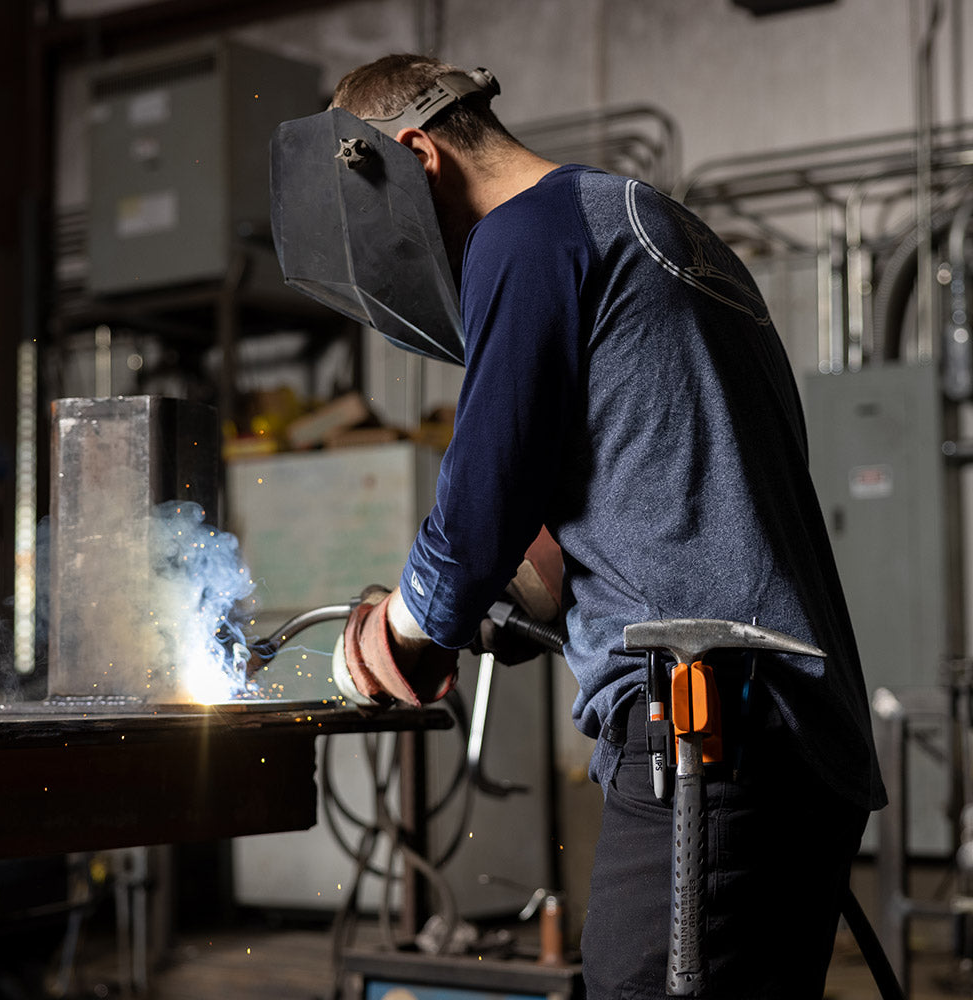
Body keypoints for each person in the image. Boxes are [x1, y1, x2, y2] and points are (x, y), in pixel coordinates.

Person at [326, 54, 886, 1000]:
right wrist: (529, 586)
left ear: (416, 156)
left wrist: (410, 631)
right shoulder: (650, 222)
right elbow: (667, 475)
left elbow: (484, 491)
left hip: (709, 732)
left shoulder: (527, 234)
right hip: (799, 736)